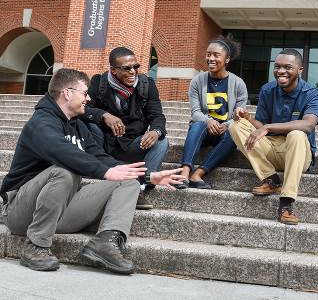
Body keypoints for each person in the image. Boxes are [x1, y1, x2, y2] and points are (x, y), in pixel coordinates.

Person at [0, 68, 184, 274]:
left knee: (127, 182)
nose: (88, 99)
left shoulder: (78, 126)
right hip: (20, 211)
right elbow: (62, 152)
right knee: (64, 171)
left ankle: (105, 243)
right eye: (85, 93)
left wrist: (147, 176)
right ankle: (36, 245)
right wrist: (105, 173)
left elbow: (101, 157)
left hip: (59, 209)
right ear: (67, 93)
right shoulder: (41, 122)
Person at [229, 49, 318, 225]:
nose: (281, 71)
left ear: (300, 70)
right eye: (277, 66)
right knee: (236, 125)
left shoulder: (313, 94)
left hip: (298, 154)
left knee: (297, 134)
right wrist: (247, 118)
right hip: (271, 148)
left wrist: (268, 127)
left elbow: (308, 124)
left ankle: (286, 202)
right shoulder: (267, 90)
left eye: (288, 67)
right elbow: (261, 126)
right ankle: (271, 178)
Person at [83, 47, 168, 210]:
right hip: (104, 144)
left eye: (135, 67)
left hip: (132, 145)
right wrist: (104, 115)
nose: (133, 72)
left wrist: (155, 131)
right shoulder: (99, 83)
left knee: (162, 142)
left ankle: (140, 185)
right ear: (113, 70)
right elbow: (82, 110)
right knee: (89, 125)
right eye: (126, 68)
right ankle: (99, 169)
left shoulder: (147, 85)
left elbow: (157, 116)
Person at [177, 35, 248, 189]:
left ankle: (197, 175)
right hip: (203, 131)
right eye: (208, 54)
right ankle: (185, 172)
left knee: (234, 134)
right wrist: (208, 121)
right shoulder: (197, 81)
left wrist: (226, 125)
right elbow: (195, 112)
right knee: (197, 124)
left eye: (216, 55)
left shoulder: (239, 84)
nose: (211, 59)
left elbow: (240, 116)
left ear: (227, 59)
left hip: (224, 133)